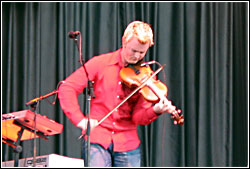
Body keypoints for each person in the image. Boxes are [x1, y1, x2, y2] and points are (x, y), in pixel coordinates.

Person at [58, 21, 176, 167]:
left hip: (128, 143)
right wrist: (80, 120)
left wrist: (155, 110)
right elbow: (67, 87)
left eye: (142, 52)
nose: (137, 56)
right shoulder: (100, 63)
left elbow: (138, 117)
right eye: (133, 50)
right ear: (123, 42)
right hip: (97, 139)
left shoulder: (147, 77)